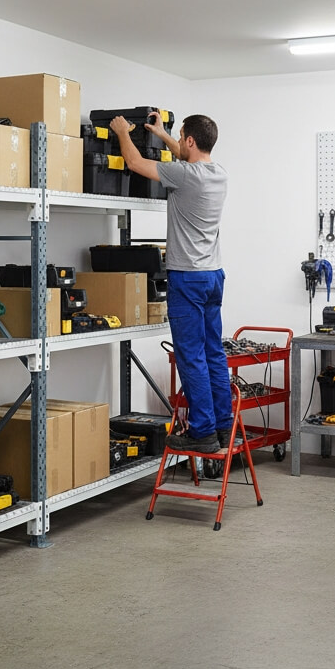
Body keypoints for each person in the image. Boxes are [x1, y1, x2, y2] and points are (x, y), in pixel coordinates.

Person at [110, 112, 230, 454]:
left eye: (181, 137)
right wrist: (162, 134)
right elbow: (183, 152)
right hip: (213, 275)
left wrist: (122, 131)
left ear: (190, 140)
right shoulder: (218, 173)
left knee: (191, 357)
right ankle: (223, 427)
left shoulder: (184, 175)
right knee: (213, 354)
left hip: (187, 278)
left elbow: (134, 162)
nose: (179, 142)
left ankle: (203, 432)